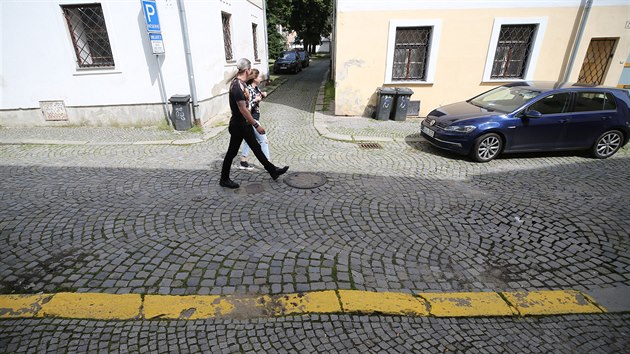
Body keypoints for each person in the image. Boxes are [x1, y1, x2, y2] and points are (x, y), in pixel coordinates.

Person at [219, 58, 288, 189]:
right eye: (250, 69)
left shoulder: (241, 83)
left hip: (242, 124)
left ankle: (273, 171)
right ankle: (224, 179)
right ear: (247, 70)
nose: (251, 71)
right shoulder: (237, 87)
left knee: (255, 148)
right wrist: (256, 125)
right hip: (239, 125)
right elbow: (243, 110)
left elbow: (247, 106)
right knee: (233, 152)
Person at [240, 68, 269, 170]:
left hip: (255, 116)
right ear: (254, 78)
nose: (261, 78)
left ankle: (243, 160)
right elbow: (247, 106)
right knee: (263, 140)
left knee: (249, 139)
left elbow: (258, 98)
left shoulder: (256, 88)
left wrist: (263, 95)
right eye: (259, 76)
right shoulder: (249, 89)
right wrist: (255, 100)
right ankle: (268, 164)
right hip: (252, 118)